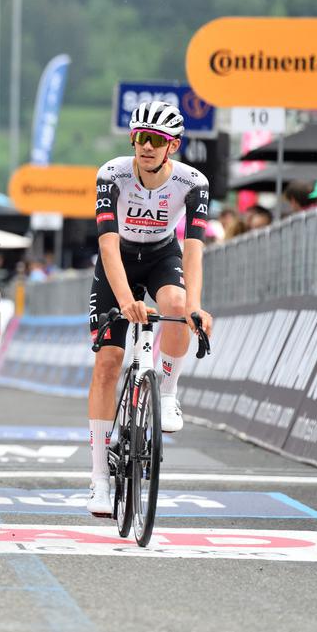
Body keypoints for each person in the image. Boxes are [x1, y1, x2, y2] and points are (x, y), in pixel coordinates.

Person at [86, 100, 213, 515]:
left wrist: (195, 307)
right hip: (118, 261)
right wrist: (127, 302)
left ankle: (168, 393)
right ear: (132, 139)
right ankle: (99, 480)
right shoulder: (112, 174)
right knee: (108, 362)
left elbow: (193, 250)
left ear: (172, 145)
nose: (146, 146)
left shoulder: (193, 183)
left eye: (156, 140)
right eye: (141, 137)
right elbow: (107, 245)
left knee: (176, 304)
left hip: (162, 255)